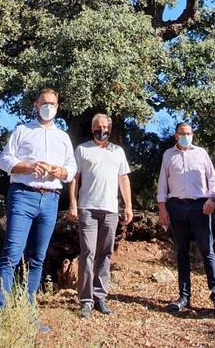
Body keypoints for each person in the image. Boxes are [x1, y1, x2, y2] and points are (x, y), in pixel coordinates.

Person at [0, 88, 77, 317]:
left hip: (50, 199)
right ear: (35, 104)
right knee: (12, 252)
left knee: (37, 257)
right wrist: (29, 166)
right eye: (44, 103)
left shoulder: (63, 138)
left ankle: (27, 311)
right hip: (23, 195)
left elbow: (72, 168)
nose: (49, 107)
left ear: (58, 107)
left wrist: (62, 171)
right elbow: (4, 160)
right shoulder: (22, 130)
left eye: (53, 103)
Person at [157, 122, 215, 318]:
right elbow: (163, 182)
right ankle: (184, 297)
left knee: (207, 250)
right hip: (177, 207)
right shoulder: (168, 155)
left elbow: (213, 178)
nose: (185, 136)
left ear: (192, 135)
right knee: (182, 252)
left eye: (188, 133)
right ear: (175, 135)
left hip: (200, 207)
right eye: (182, 133)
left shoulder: (201, 153)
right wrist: (162, 207)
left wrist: (213, 199)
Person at [66, 113, 133, 318]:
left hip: (111, 210)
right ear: (92, 128)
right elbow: (74, 179)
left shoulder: (117, 152)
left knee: (105, 254)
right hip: (87, 208)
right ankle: (85, 300)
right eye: (98, 126)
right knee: (88, 253)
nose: (101, 130)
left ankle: (100, 297)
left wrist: (128, 206)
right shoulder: (83, 149)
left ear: (110, 129)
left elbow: (124, 180)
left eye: (105, 127)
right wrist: (73, 204)